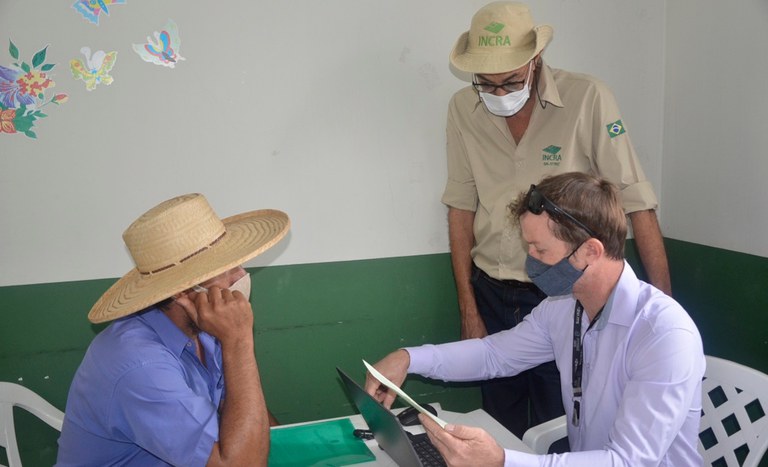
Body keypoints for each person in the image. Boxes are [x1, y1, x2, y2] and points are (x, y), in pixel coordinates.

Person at [442, 1, 672, 438]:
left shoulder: (588, 99)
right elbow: (460, 207)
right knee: (498, 428)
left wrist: (661, 305)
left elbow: (636, 200)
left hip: (568, 294)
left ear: (536, 58)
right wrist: (468, 309)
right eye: (486, 83)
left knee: (566, 424)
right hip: (492, 292)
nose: (499, 93)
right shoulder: (461, 109)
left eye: (511, 80)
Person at [367, 172, 704, 466]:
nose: (531, 261)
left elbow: (628, 461)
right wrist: (409, 359)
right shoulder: (563, 306)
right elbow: (494, 355)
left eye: (541, 250)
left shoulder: (663, 333)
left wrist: (502, 461)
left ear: (591, 251)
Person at [56, 193, 290, 466]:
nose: (240, 275)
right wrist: (239, 341)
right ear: (183, 290)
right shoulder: (139, 365)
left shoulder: (205, 328)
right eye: (225, 267)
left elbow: (239, 409)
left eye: (237, 263)